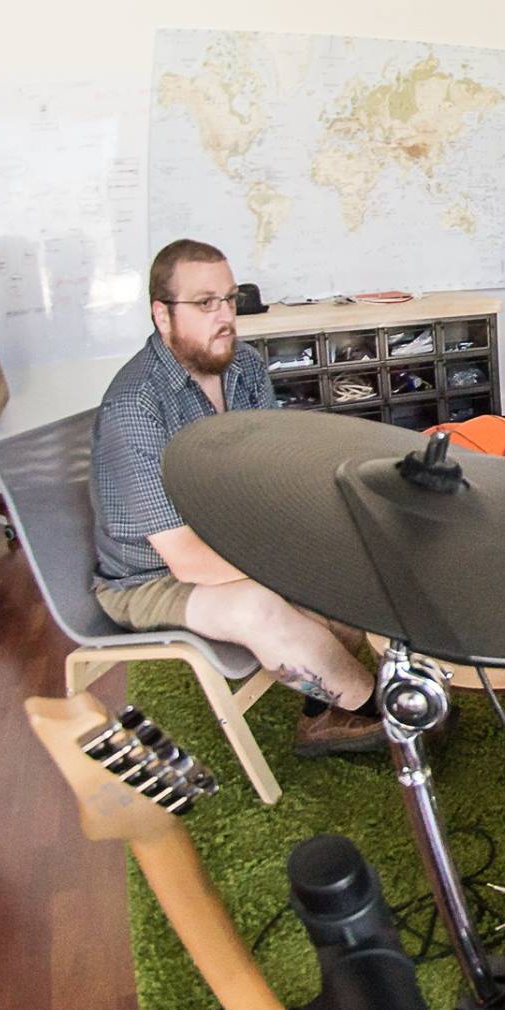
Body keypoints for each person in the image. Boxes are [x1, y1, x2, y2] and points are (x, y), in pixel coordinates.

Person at [91, 239, 384, 757]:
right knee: (259, 606)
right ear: (162, 315)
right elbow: (182, 557)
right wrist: (287, 572)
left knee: (336, 561)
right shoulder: (135, 406)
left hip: (228, 537)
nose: (225, 316)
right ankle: (379, 713)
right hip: (148, 575)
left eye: (230, 299)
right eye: (205, 303)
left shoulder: (244, 367)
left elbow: (264, 477)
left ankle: (327, 708)